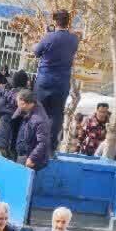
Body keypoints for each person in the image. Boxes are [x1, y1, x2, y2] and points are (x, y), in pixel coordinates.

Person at [32, 10, 80, 147]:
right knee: (57, 114)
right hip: (62, 83)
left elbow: (36, 51)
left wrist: (44, 37)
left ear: (55, 21)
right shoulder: (74, 39)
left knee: (39, 112)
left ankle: (36, 142)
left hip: (45, 80)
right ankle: (50, 146)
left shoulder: (49, 37)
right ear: (68, 22)